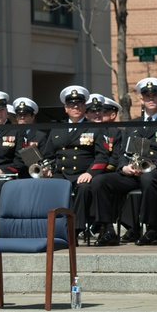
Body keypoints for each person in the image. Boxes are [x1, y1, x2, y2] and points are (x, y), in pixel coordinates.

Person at [91, 78, 157, 247]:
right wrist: (124, 167)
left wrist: (154, 166)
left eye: (155, 95)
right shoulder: (133, 125)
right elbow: (122, 153)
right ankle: (107, 229)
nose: (151, 99)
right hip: (133, 172)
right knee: (100, 181)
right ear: (141, 99)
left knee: (149, 178)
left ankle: (152, 229)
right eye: (147, 95)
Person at [38, 85, 111, 234]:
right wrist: (47, 169)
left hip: (83, 174)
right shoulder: (57, 129)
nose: (75, 107)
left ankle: (75, 229)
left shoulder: (95, 128)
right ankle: (49, 228)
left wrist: (91, 173)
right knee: (45, 185)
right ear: (66, 108)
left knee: (84, 188)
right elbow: (48, 155)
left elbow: (102, 155)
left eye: (79, 104)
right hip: (61, 173)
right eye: (71, 104)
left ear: (85, 107)